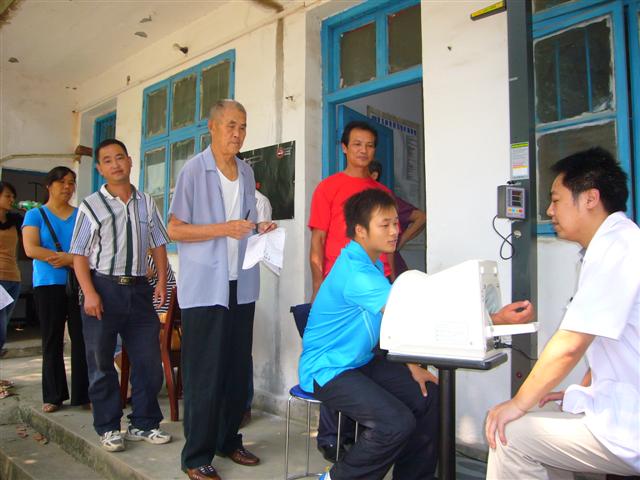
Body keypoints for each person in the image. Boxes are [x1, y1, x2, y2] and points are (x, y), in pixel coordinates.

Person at [485, 147, 640, 479]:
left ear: (590, 198)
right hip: (622, 408)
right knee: (545, 419)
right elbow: (608, 343)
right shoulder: (615, 244)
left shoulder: (618, 248)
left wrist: (517, 403)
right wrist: (583, 391)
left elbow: (571, 344)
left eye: (556, 200)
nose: (549, 210)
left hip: (631, 426)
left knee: (508, 434)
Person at [168, 99, 275, 480]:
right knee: (204, 373)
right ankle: (196, 455)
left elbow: (243, 222)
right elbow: (175, 229)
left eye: (243, 126)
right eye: (231, 125)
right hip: (205, 287)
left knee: (235, 368)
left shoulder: (246, 171)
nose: (238, 133)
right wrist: (223, 229)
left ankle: (228, 440)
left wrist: (259, 228)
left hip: (240, 284)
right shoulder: (193, 171)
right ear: (211, 127)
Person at [301, 188, 439, 480]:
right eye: (385, 224)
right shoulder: (358, 273)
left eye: (395, 223)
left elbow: (393, 321)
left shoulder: (371, 263)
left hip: (359, 361)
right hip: (328, 369)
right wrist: (492, 319)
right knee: (395, 423)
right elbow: (409, 314)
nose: (395, 231)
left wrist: (413, 366)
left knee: (427, 397)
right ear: (360, 231)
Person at [69, 138, 172, 453]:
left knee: (148, 361)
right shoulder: (91, 205)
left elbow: (158, 243)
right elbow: (79, 254)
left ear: (129, 161)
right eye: (107, 160)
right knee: (101, 363)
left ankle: (144, 423)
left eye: (119, 157)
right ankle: (108, 427)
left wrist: (161, 281)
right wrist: (89, 293)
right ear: (100, 169)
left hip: (140, 290)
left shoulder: (146, 202)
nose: (115, 164)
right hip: (104, 288)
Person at [309, 120, 396, 458]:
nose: (364, 150)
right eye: (357, 144)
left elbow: (389, 245)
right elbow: (317, 241)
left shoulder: (382, 193)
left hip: (376, 287)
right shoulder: (328, 188)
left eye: (370, 145)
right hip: (341, 293)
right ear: (344, 148)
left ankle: (369, 435)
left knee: (373, 360)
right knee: (339, 362)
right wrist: (318, 287)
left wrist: (390, 279)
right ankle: (332, 438)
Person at [22, 167, 89, 412]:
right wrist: (63, 258)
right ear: (49, 185)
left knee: (82, 338)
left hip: (80, 282)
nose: (67, 187)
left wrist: (71, 259)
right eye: (62, 182)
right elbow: (31, 248)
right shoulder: (35, 215)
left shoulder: (81, 215)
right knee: (52, 339)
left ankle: (83, 395)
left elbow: (91, 247)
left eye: (71, 182)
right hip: (48, 284)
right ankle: (53, 395)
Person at [369, 161, 426, 278]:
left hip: (390, 267)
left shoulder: (386, 199)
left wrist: (401, 240)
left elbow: (421, 217)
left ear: (374, 176)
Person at [0, 181, 22, 395]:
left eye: (12, 196)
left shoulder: (15, 220)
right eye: (7, 196)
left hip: (13, 278)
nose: (11, 200)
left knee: (3, 327)